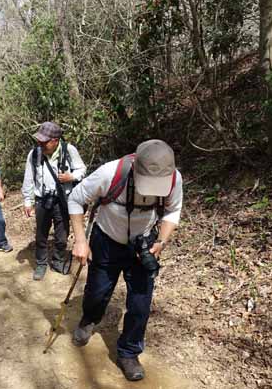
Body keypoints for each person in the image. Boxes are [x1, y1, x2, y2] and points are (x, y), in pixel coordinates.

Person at [67, 139, 183, 381]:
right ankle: (89, 318)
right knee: (97, 292)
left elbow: (173, 210)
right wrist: (80, 240)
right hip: (107, 239)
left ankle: (128, 352)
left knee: (141, 302)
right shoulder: (111, 173)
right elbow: (75, 199)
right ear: (136, 168)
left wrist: (160, 241)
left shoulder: (174, 180)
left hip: (144, 245)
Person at [21, 122, 86, 280]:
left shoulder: (69, 150)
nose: (40, 144)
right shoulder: (34, 154)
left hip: (63, 199)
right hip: (42, 199)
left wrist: (71, 177)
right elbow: (29, 178)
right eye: (39, 141)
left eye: (44, 141)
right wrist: (28, 200)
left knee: (62, 234)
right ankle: (41, 264)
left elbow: (82, 169)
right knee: (41, 234)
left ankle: (58, 261)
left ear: (55, 140)